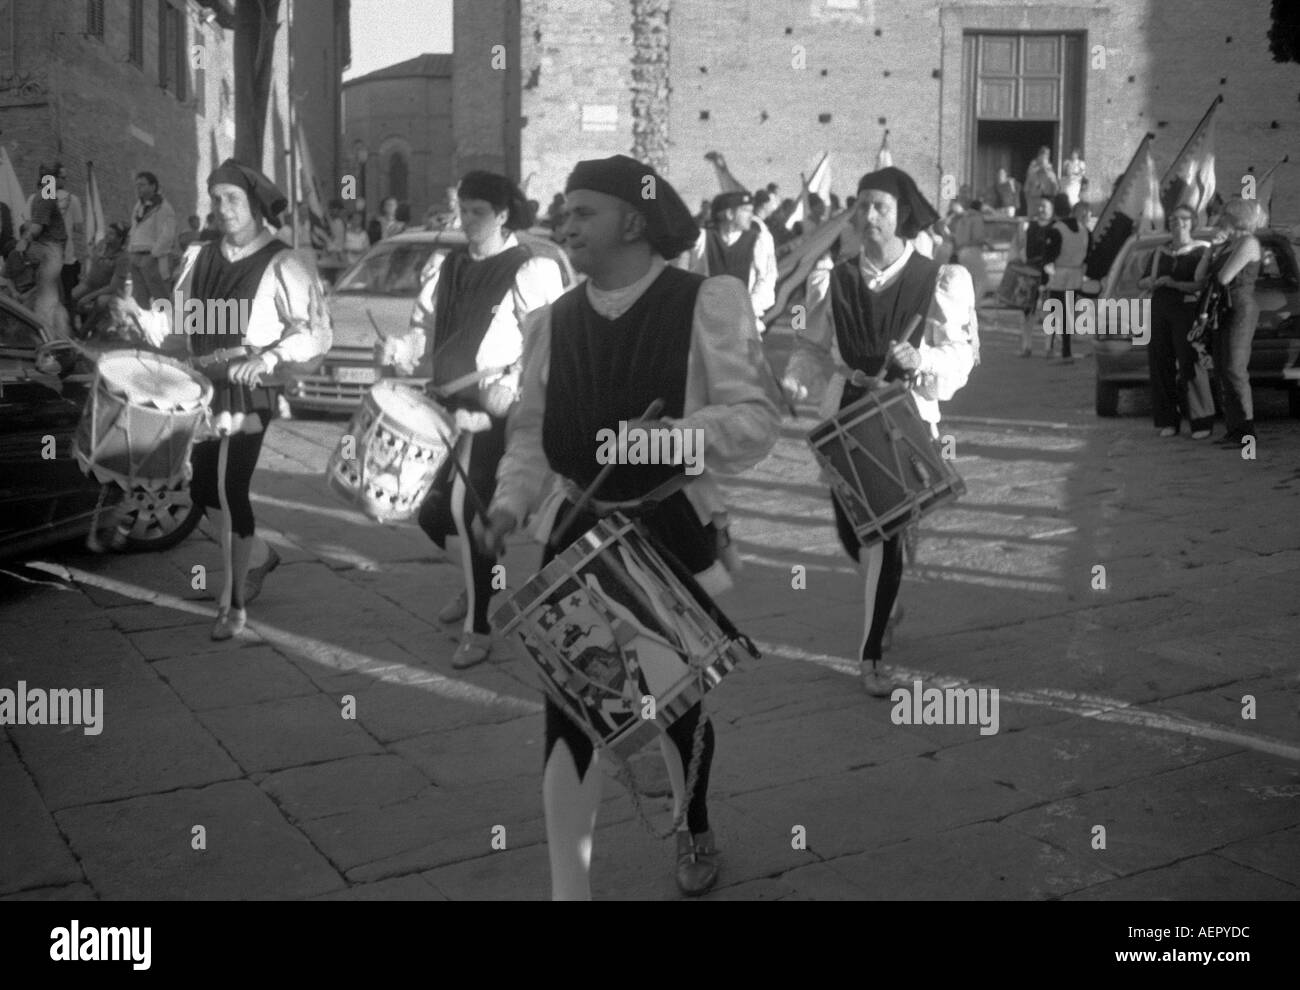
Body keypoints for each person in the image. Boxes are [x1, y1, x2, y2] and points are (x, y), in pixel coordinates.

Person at [477, 154, 779, 899]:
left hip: (666, 531)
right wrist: (511, 503)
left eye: (583, 213)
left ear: (634, 220)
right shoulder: (552, 321)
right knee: (570, 705)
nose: (565, 224)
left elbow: (756, 421)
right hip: (572, 530)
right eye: (565, 214)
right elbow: (531, 433)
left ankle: (693, 823)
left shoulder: (709, 298)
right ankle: (567, 889)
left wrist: (668, 439)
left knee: (672, 707)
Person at [782, 166, 977, 697]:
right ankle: (887, 598)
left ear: (902, 216)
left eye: (881, 207)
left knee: (884, 532)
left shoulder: (938, 279)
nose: (868, 216)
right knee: (852, 533)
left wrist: (922, 358)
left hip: (904, 414)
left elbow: (962, 355)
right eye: (863, 206)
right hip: (844, 415)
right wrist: (796, 382)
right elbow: (810, 347)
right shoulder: (834, 278)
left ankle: (869, 658)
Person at [126, 159, 332, 639]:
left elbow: (315, 332)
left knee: (228, 488)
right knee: (201, 492)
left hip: (247, 391)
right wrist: (137, 317)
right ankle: (258, 556)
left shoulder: (285, 261)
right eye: (216, 199)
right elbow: (181, 329)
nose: (222, 208)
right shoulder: (199, 257)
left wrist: (270, 357)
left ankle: (233, 602)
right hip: (199, 389)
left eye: (232, 198)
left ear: (256, 205)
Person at [380, 172, 564, 669]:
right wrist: (403, 351)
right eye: (463, 208)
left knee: (466, 510)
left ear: (503, 215)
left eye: (478, 211)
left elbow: (549, 346)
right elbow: (422, 328)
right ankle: (476, 579)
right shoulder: (448, 265)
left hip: (493, 413)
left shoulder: (532, 270)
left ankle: (479, 626)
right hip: (442, 406)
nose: (467, 219)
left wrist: (518, 388)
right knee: (428, 512)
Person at [1138, 205, 1213, 439]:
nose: (1177, 224)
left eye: (1182, 219)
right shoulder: (1160, 251)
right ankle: (1167, 420)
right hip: (1160, 308)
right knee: (1160, 362)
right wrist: (1150, 283)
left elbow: (1202, 285)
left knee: (1190, 361)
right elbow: (1141, 281)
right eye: (1173, 220)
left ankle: (1201, 422)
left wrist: (1173, 283)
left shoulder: (1202, 251)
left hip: (1187, 309)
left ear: (1192, 223)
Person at [1195, 197, 1265, 446]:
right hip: (1224, 309)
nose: (1219, 220)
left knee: (1235, 368)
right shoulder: (1229, 244)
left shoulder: (1248, 243)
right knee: (1223, 369)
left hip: (1240, 308)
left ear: (1235, 219)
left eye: (1224, 216)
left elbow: (1224, 277)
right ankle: (1234, 428)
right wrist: (1210, 251)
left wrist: (1223, 249)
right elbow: (1200, 276)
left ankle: (1247, 431)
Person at [687, 190, 777, 334]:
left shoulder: (759, 240)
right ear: (729, 214)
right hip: (710, 324)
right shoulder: (704, 239)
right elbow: (694, 277)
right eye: (745, 210)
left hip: (744, 325)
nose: (751, 216)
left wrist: (748, 307)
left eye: (751, 211)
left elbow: (767, 280)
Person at [13, 163, 71, 337]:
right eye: (60, 177)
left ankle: (50, 334)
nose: (64, 181)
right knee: (48, 298)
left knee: (48, 296)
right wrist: (25, 240)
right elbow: (37, 226)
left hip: (49, 251)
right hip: (51, 251)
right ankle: (48, 336)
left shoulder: (42, 196)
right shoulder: (47, 196)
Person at [1042, 192, 1089, 361]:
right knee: (1068, 313)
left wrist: (1044, 279)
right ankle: (1066, 351)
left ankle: (1050, 347)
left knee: (1054, 312)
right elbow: (1087, 253)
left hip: (1059, 274)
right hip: (1076, 274)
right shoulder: (1084, 229)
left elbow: (1048, 256)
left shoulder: (1056, 229)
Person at [1010, 195, 1058, 356]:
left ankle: (1048, 347)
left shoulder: (1056, 227)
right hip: (1030, 271)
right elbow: (1019, 246)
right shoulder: (1029, 226)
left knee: (1049, 309)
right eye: (1040, 206)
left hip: (1049, 272)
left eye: (1045, 206)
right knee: (1027, 310)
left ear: (1051, 209)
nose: (1041, 209)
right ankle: (1026, 346)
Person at [127, 171, 176, 306]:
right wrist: (130, 250)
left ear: (153, 186)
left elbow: (167, 235)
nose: (138, 188)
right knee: (139, 299)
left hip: (152, 258)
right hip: (135, 256)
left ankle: (169, 326)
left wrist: (153, 255)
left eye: (142, 185)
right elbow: (134, 229)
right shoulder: (138, 206)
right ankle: (143, 326)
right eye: (137, 185)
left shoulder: (164, 208)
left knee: (160, 298)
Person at [70, 221, 132, 316]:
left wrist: (89, 297)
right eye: (107, 232)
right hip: (91, 284)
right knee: (73, 296)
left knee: (100, 302)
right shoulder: (101, 244)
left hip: (109, 291)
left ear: (120, 239)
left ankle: (86, 329)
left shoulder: (123, 257)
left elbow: (113, 287)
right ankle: (75, 323)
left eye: (111, 234)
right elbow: (94, 264)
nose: (106, 235)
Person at [1023, 147, 1059, 214]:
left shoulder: (1050, 171)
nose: (1044, 157)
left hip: (1047, 196)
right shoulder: (1033, 168)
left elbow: (1055, 186)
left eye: (1047, 155)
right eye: (1043, 155)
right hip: (1034, 196)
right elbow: (1027, 185)